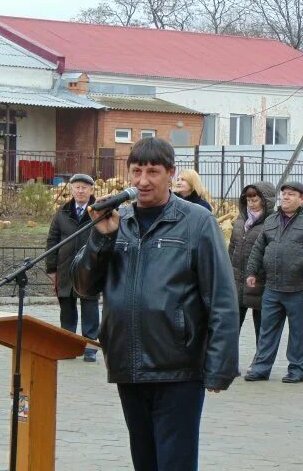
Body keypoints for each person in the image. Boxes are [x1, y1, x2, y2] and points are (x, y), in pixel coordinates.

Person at [70, 137, 239, 471]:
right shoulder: (118, 222)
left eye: (152, 171)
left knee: (174, 462)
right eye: (136, 171)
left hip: (177, 366)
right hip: (127, 362)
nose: (142, 181)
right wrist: (101, 238)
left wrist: (220, 366)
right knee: (144, 461)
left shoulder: (196, 222)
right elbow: (83, 286)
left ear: (170, 173)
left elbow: (221, 298)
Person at [243, 181, 303, 383]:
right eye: (283, 194)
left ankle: (297, 369)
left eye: (291, 194)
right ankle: (261, 368)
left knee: (299, 332)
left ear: (302, 199)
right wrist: (252, 271)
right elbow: (259, 247)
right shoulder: (272, 220)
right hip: (272, 287)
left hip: (299, 287)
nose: (285, 197)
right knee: (267, 330)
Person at [45, 173, 100, 362]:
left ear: (91, 190)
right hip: (65, 267)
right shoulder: (63, 213)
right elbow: (52, 240)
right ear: (71, 190)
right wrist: (52, 269)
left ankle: (90, 347)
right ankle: (67, 345)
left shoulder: (98, 211)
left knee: (90, 307)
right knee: (67, 308)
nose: (80, 190)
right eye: (77, 187)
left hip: (90, 267)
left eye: (84, 187)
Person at [228, 182, 276, 347]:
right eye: (248, 199)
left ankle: (260, 363)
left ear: (265, 200)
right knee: (232, 326)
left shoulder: (272, 223)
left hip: (260, 282)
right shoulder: (241, 220)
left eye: (255, 199)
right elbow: (232, 248)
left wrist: (261, 273)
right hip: (237, 282)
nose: (251, 203)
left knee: (261, 327)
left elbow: (273, 253)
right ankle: (229, 361)